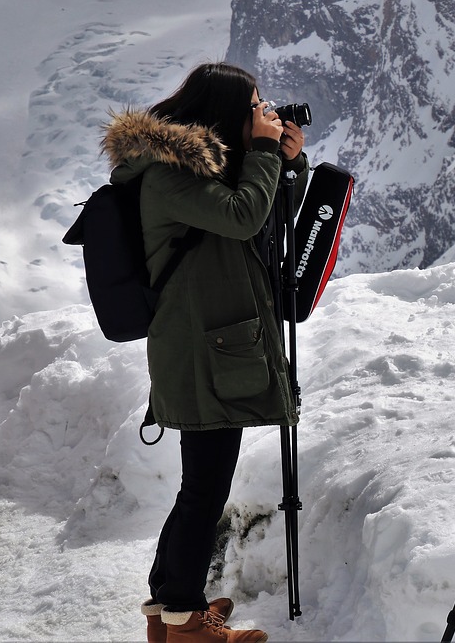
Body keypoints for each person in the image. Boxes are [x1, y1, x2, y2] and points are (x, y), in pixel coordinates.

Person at [101, 62, 309, 643]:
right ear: (223, 115)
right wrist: (267, 155)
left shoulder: (202, 171)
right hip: (202, 353)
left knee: (199, 487)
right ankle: (186, 622)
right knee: (204, 491)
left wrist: (286, 162)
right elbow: (243, 217)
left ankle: (167, 610)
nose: (265, 117)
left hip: (209, 347)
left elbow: (266, 219)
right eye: (256, 108)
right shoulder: (172, 176)